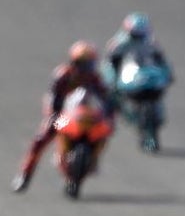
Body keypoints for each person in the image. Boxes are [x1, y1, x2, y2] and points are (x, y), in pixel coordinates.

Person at [12, 41, 113, 194]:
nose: (86, 68)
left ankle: (93, 160)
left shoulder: (95, 78)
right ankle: (24, 175)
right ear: (74, 62)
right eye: (83, 64)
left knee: (105, 131)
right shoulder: (63, 75)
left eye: (89, 64)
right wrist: (53, 114)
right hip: (65, 115)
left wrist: (109, 114)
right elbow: (53, 97)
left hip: (87, 115)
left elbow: (106, 98)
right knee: (41, 140)